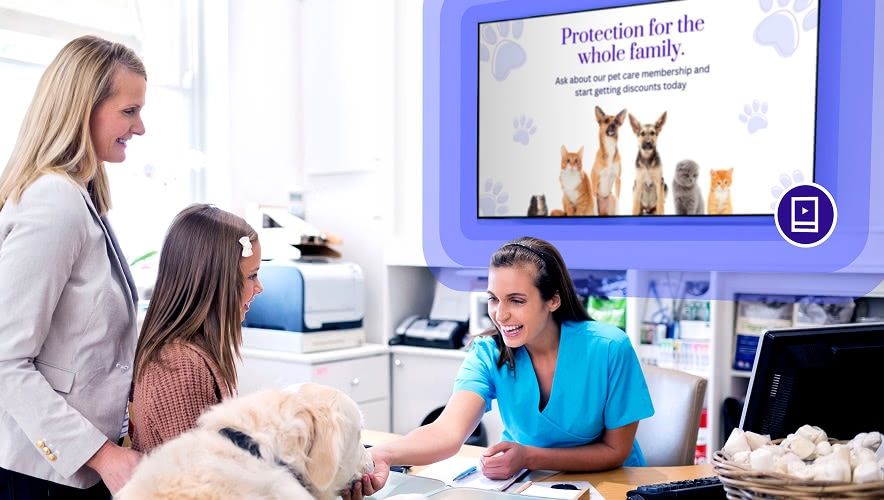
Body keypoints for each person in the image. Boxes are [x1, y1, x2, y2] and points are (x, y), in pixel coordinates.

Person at [346, 236, 654, 499]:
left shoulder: (609, 348)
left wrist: (529, 456)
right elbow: (447, 432)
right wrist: (381, 455)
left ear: (553, 300)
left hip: (613, 485)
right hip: (529, 486)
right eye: (494, 299)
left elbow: (615, 450)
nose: (500, 315)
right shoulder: (488, 352)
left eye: (516, 300)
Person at [0, 36, 146, 498]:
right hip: (42, 475)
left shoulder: (81, 197)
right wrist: (102, 455)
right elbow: (4, 359)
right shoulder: (54, 202)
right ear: (84, 109)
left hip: (72, 468)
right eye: (129, 111)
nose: (140, 127)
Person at [129, 204, 262, 453]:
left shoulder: (195, 354)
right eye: (252, 276)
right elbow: (203, 472)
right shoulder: (180, 367)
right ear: (217, 281)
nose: (259, 287)